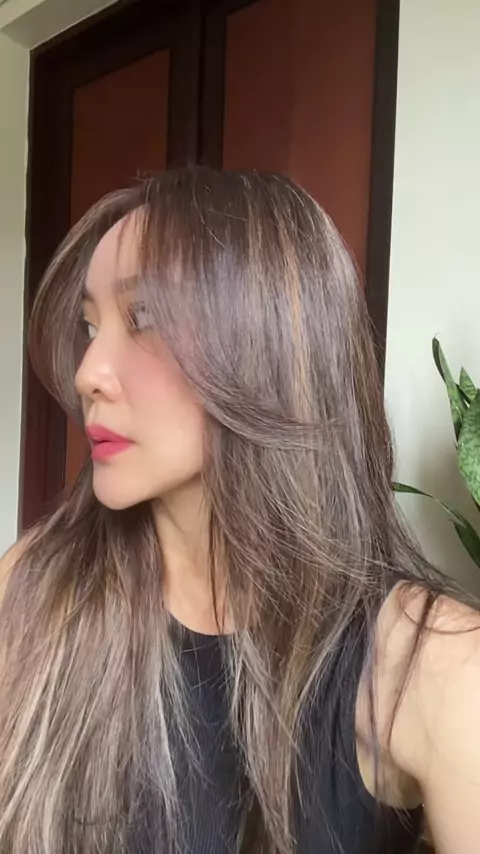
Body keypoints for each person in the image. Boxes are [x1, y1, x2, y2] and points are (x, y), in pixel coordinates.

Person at [0, 167, 479, 854]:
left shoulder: (435, 666)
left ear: (270, 344)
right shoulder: (34, 590)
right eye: (89, 326)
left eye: (144, 319)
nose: (87, 374)